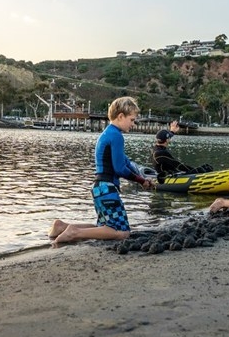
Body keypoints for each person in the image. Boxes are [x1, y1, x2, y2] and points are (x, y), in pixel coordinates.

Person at [50, 96, 156, 246]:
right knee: (123, 232)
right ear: (121, 116)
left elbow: (126, 162)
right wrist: (140, 181)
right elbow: (120, 168)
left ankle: (61, 227)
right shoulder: (116, 136)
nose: (133, 124)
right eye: (132, 120)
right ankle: (74, 232)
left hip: (99, 188)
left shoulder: (108, 133)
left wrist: (143, 179)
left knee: (104, 227)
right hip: (107, 188)